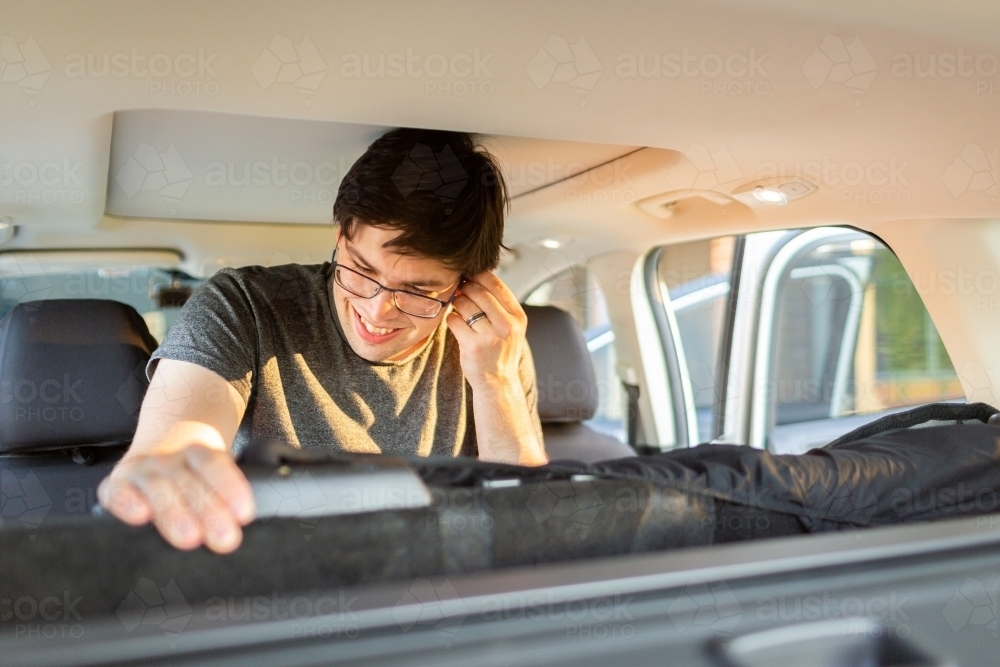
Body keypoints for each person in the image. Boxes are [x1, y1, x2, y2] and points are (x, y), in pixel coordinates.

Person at [97, 128, 548, 554]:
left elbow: (527, 527)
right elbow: (180, 435)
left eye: (416, 291)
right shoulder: (244, 306)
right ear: (340, 235)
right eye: (360, 269)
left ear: (465, 286)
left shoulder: (491, 347)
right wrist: (166, 464)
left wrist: (495, 381)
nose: (376, 310)